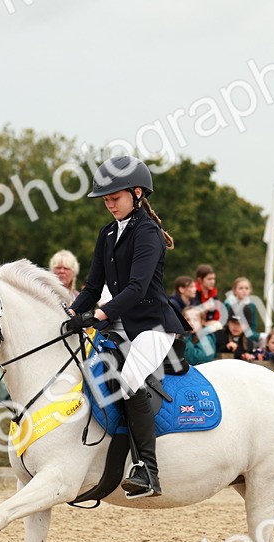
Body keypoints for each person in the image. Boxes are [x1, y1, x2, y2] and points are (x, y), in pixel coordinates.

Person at [65, 155, 188, 498]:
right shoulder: (107, 234)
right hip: (121, 323)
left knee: (131, 381)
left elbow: (136, 288)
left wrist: (100, 316)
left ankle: (148, 471)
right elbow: (91, 287)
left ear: (136, 192)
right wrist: (73, 316)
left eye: (114, 198)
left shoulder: (148, 233)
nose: (109, 205)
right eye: (105, 200)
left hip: (152, 325)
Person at [224, 276, 263, 343]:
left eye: (246, 288)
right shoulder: (229, 304)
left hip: (246, 332)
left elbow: (253, 324)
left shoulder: (251, 305)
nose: (244, 291)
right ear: (234, 290)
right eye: (241, 288)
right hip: (231, 331)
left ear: (250, 291)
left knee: (261, 337)